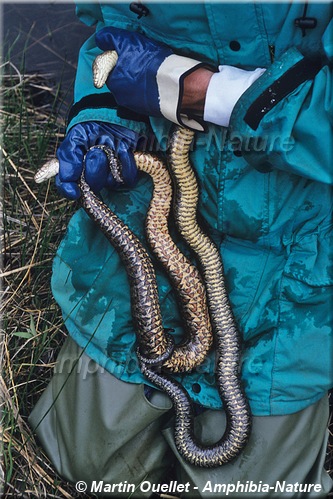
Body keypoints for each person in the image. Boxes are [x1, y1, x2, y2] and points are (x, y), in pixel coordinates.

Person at [29, 2, 333, 497]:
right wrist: (108, 109)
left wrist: (201, 93)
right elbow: (115, 35)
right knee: (84, 466)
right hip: (158, 188)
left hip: (297, 239)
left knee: (249, 489)